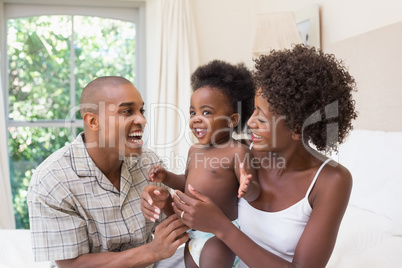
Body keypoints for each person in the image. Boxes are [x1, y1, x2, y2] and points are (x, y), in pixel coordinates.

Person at [153, 44, 357, 267]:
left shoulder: (331, 181)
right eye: (253, 111)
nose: (249, 123)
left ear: (298, 128)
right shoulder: (242, 152)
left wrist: (222, 227)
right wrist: (166, 202)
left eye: (261, 118)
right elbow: (198, 197)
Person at [27, 76, 189, 268]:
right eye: (127, 111)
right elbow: (71, 265)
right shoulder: (52, 180)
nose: (142, 120)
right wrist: (151, 251)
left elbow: (178, 235)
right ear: (93, 121)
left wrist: (168, 204)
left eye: (141, 110)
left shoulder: (148, 162)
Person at [142, 60, 261, 268]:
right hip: (192, 232)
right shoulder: (194, 150)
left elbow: (255, 193)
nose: (196, 119)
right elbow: (187, 182)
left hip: (219, 236)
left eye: (206, 112)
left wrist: (247, 186)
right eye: (192, 112)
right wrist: (167, 177)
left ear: (232, 120)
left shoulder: (237, 151)